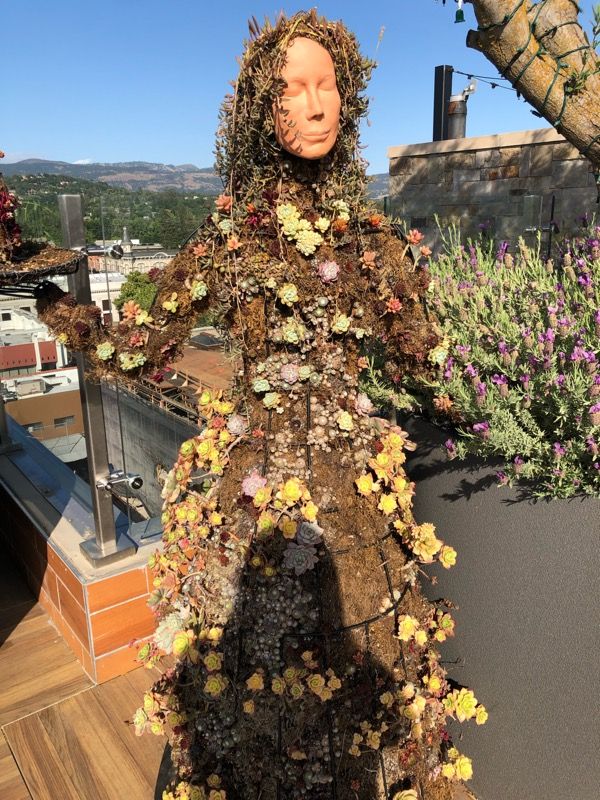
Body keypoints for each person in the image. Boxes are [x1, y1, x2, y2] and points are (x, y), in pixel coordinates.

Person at [37, 11, 483, 800]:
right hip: (257, 492)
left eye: (326, 85)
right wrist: (64, 314)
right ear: (260, 111)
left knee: (359, 674)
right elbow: (143, 346)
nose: (314, 105)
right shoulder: (232, 234)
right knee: (254, 677)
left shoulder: (367, 237)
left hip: (350, 489)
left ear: (348, 97)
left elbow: (425, 359)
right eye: (292, 90)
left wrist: (494, 392)